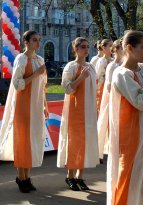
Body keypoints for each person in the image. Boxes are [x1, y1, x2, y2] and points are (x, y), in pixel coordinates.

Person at [107, 30, 143, 205]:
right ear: (129, 48)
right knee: (127, 184)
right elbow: (142, 102)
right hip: (130, 141)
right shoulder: (121, 74)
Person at [0, 30, 48, 193]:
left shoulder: (40, 59)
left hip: (35, 107)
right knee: (22, 142)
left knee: (32, 141)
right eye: (34, 40)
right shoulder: (21, 59)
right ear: (26, 42)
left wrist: (45, 106)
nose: (38, 43)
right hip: (23, 107)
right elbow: (17, 84)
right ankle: (21, 178)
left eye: (39, 40)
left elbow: (43, 88)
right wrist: (35, 74)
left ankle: (27, 177)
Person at [57, 37, 99, 191]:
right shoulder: (71, 66)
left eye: (87, 46)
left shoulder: (91, 67)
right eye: (82, 47)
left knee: (87, 143)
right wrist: (81, 77)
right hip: (75, 111)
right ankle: (70, 176)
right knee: (74, 143)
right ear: (75, 49)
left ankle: (80, 176)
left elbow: (95, 88)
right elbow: (67, 89)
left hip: (89, 111)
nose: (86, 49)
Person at [97, 39, 124, 163]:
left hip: (122, 99)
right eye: (122, 48)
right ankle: (102, 151)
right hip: (110, 97)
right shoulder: (110, 65)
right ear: (116, 50)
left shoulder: (122, 64)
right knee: (106, 124)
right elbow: (103, 82)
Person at [95, 39, 113, 114]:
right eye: (110, 46)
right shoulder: (101, 61)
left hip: (112, 87)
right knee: (103, 109)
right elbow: (97, 77)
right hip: (103, 88)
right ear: (104, 48)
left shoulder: (113, 60)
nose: (113, 47)